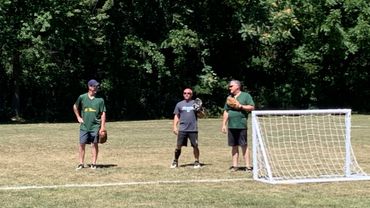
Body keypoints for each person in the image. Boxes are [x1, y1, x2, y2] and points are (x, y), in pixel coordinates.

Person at [221, 80, 255, 171]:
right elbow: (226, 111)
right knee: (234, 145)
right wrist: (224, 124)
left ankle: (248, 166)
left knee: (244, 145)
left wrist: (241, 106)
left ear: (237, 86)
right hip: (231, 125)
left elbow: (252, 107)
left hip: (241, 125)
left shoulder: (246, 96)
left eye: (231, 86)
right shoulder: (229, 98)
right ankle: (235, 165)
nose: (229, 88)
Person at [73, 79, 106, 170]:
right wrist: (78, 117)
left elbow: (103, 113)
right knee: (81, 144)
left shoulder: (100, 100)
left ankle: (94, 163)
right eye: (94, 86)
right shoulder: (82, 97)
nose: (96, 88)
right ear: (89, 87)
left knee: (94, 144)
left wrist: (102, 127)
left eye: (96, 86)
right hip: (84, 126)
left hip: (95, 126)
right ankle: (81, 163)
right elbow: (75, 106)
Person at [171, 88, 204, 169]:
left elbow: (202, 116)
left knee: (195, 145)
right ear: (183, 94)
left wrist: (199, 110)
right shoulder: (179, 104)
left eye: (189, 93)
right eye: (185, 93)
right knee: (178, 146)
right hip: (182, 129)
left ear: (191, 95)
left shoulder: (195, 103)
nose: (187, 94)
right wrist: (175, 126)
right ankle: (175, 161)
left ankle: (196, 161)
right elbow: (177, 116)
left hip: (193, 129)